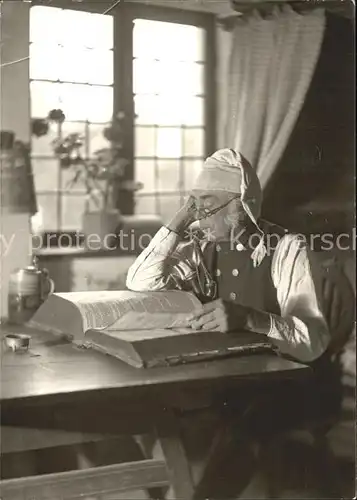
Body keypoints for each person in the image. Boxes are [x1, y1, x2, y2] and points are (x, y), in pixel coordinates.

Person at [126, 148, 330, 363]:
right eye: (195, 205)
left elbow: (312, 341)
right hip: (216, 369)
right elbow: (140, 282)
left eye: (208, 204)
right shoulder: (200, 248)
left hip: (272, 378)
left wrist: (252, 319)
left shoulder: (286, 248)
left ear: (239, 205)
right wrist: (181, 218)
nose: (201, 220)